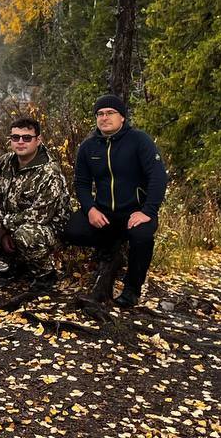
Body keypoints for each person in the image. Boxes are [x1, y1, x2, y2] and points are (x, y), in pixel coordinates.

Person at [64, 94, 168, 308]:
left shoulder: (139, 140)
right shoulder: (88, 147)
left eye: (110, 113)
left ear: (122, 117)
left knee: (142, 237)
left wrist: (148, 211)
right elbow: (81, 183)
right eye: (100, 114)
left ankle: (132, 289)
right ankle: (109, 247)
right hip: (104, 212)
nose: (104, 117)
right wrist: (90, 208)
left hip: (135, 212)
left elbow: (158, 176)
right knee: (72, 229)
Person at [0, 117, 70, 292]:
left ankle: (45, 274)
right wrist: (1, 230)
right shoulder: (5, 162)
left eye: (26, 138)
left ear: (38, 140)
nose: (20, 142)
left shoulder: (49, 171)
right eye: (15, 137)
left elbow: (41, 215)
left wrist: (5, 224)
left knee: (26, 233)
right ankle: (19, 265)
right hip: (12, 224)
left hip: (50, 230)